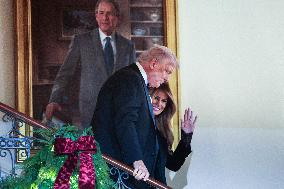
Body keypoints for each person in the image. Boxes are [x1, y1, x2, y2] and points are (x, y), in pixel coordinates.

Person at [91, 45, 178, 188]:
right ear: (154, 63)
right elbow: (125, 121)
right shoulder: (129, 78)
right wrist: (136, 160)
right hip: (119, 172)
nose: (167, 78)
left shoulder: (136, 80)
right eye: (167, 71)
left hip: (127, 172)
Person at [45, 0, 136, 128]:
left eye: (109, 13)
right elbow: (64, 74)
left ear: (117, 17)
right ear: (96, 16)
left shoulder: (128, 46)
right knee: (93, 146)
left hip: (120, 109)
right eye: (101, 13)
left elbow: (133, 80)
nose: (105, 18)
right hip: (90, 110)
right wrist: (54, 99)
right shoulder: (81, 41)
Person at [149, 82, 197, 185]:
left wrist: (186, 137)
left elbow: (173, 165)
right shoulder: (135, 125)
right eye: (156, 98)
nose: (159, 104)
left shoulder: (161, 133)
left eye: (164, 101)